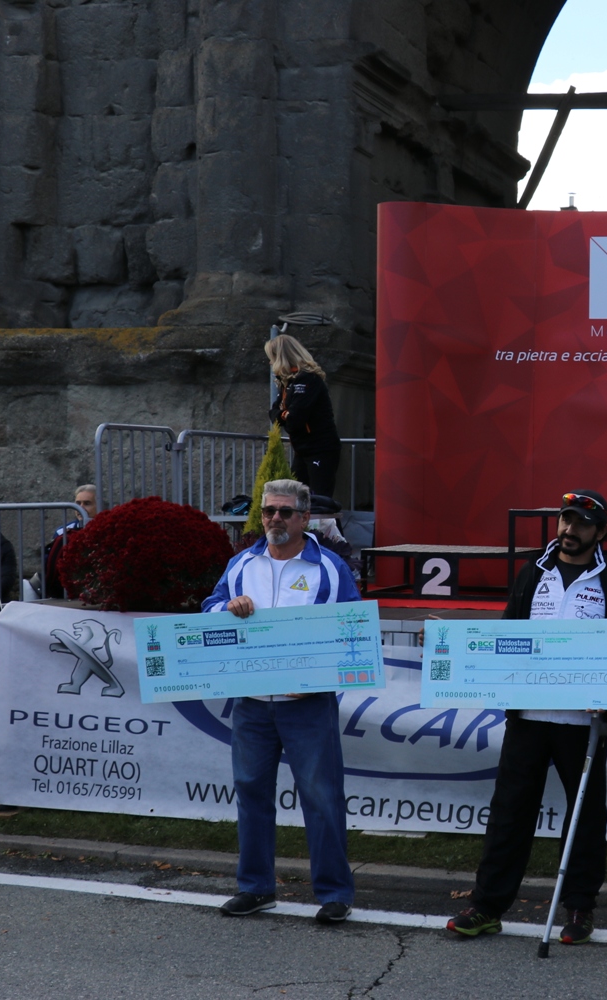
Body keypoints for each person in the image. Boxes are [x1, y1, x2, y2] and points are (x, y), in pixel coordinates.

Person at [447, 489, 607, 946]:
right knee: (510, 811)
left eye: (582, 523)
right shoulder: (531, 573)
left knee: (584, 816)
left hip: (584, 724)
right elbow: (506, 637)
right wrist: (461, 650)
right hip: (529, 717)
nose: (569, 529)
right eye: (565, 519)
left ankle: (579, 907)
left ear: (601, 532)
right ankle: (487, 905)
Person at [203, 478, 360, 923]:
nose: (275, 518)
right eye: (269, 510)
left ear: (305, 518)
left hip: (307, 704)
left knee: (321, 797)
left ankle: (334, 893)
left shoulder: (328, 568)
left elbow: (351, 632)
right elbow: (208, 607)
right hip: (251, 703)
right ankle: (255, 888)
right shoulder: (241, 564)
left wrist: (320, 682)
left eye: (285, 512)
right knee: (251, 792)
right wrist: (226, 608)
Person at [265, 334, 341, 497]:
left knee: (320, 500)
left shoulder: (308, 380)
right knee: (296, 498)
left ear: (281, 358)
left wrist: (283, 415)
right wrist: (284, 414)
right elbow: (273, 412)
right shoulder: (287, 382)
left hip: (320, 449)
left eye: (272, 358)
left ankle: (327, 516)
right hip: (302, 450)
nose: (270, 363)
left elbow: (295, 420)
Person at [40, 485, 96, 598]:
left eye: (87, 503)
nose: (81, 508)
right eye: (78, 503)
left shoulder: (107, 528)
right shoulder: (62, 531)